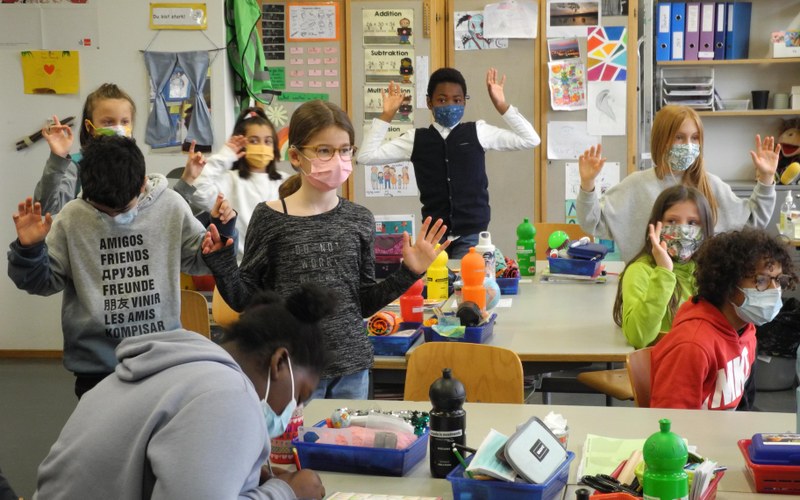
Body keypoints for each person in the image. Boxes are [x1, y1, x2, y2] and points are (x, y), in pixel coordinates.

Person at [202, 100, 449, 400]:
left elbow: (364, 302)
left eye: (345, 150)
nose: (337, 159)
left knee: (348, 446)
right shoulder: (269, 217)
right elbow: (245, 299)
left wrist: (409, 272)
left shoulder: (359, 219)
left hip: (352, 370)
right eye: (324, 150)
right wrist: (222, 260)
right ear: (295, 156)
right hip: (292, 371)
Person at [34, 285, 332, 500]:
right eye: (299, 395)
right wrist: (287, 492)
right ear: (279, 362)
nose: (293, 409)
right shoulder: (228, 394)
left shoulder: (181, 368)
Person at [8, 136, 235, 398]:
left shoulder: (170, 205)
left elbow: (200, 261)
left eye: (124, 209)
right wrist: (30, 249)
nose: (115, 217)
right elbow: (41, 283)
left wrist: (220, 241)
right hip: (97, 370)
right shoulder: (72, 218)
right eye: (104, 211)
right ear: (87, 190)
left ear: (142, 184)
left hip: (161, 361)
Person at [357, 67, 540, 259]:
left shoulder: (478, 132)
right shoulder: (416, 139)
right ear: (429, 102)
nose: (450, 105)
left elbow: (531, 139)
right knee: (437, 287)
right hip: (433, 237)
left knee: (468, 285)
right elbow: (366, 156)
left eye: (457, 100)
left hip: (472, 234)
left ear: (464, 103)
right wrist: (387, 114)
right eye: (442, 100)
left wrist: (501, 104)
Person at [577, 104, 781, 263]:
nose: (689, 145)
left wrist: (766, 179)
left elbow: (752, 222)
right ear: (661, 140)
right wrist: (588, 185)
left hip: (699, 291)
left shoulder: (711, 185)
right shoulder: (636, 186)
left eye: (695, 138)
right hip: (646, 286)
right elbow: (592, 222)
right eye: (679, 138)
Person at [650, 228, 797, 410]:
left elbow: (745, 405)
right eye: (761, 281)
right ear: (728, 283)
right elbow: (672, 423)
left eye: (778, 280)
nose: (775, 290)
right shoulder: (692, 346)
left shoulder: (746, 330)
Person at [174, 107, 289, 260]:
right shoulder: (229, 180)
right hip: (238, 268)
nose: (262, 146)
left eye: (268, 141)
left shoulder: (285, 182)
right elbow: (198, 190)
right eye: (254, 141)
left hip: (278, 268)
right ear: (241, 145)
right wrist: (226, 155)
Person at [612, 185, 714, 349]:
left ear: (705, 228)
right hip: (663, 367)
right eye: (672, 221)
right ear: (655, 225)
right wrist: (664, 272)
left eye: (692, 222)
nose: (683, 230)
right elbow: (638, 337)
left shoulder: (710, 271)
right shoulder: (640, 271)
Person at [34, 83, 136, 216]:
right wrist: (57, 159)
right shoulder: (76, 166)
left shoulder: (134, 164)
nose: (118, 128)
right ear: (90, 127)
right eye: (108, 122)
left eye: (124, 122)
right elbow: (45, 207)